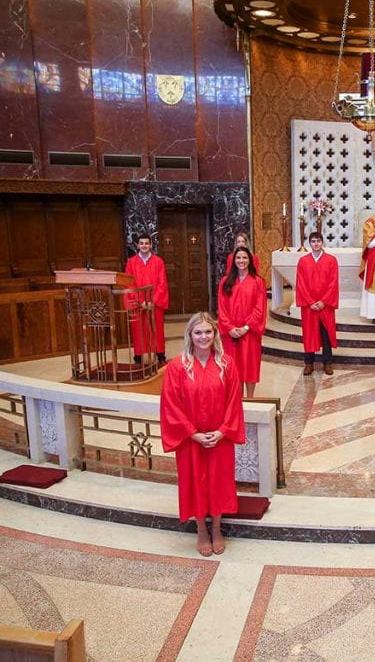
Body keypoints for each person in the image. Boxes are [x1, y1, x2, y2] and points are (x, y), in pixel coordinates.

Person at [159, 312, 244, 556]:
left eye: (208, 331)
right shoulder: (177, 367)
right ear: (190, 335)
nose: (203, 337)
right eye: (198, 332)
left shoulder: (226, 364)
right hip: (190, 440)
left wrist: (222, 431)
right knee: (194, 482)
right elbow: (170, 404)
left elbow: (233, 401)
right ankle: (201, 530)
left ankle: (217, 528)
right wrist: (192, 433)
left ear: (215, 334)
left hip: (219, 437)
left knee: (219, 482)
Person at [217, 247, 266, 398]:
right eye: (238, 258)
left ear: (250, 260)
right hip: (230, 333)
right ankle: (236, 400)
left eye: (245, 258)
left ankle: (250, 399)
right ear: (234, 260)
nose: (241, 261)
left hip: (250, 332)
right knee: (233, 367)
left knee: (250, 366)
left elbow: (260, 308)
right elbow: (221, 307)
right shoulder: (226, 282)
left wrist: (246, 327)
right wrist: (230, 327)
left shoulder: (257, 282)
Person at [295, 232, 339, 376]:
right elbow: (300, 284)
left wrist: (324, 301)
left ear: (322, 243)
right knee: (309, 334)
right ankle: (309, 363)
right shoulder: (303, 261)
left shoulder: (331, 260)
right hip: (309, 307)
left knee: (325, 334)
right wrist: (310, 302)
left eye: (318, 241)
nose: (316, 244)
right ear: (310, 243)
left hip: (324, 306)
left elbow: (333, 283)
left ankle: (328, 363)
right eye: (313, 241)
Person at [124, 233, 169, 364]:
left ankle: (160, 354)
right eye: (141, 243)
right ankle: (138, 356)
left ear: (151, 245)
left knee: (157, 329)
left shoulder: (158, 261)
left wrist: (152, 301)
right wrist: (140, 301)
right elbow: (129, 283)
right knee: (138, 329)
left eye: (147, 243)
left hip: (155, 302)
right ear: (137, 245)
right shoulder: (131, 262)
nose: (144, 246)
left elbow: (162, 283)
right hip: (139, 303)